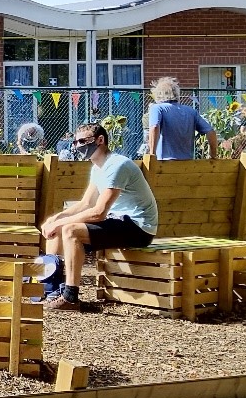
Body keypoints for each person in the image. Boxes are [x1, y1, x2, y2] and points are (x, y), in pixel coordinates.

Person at [39, 122, 159, 312]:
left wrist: (62, 222)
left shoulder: (117, 165)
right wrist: (55, 219)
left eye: (83, 141)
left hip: (139, 227)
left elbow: (98, 212)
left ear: (100, 140)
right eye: (75, 142)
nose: (78, 146)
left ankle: (70, 297)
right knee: (58, 228)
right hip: (117, 221)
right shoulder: (97, 168)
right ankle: (52, 290)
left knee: (70, 230)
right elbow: (85, 204)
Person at [146, 77, 217, 160]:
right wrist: (213, 155)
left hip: (163, 164)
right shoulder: (191, 111)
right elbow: (211, 132)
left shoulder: (157, 108)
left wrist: (152, 154)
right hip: (187, 164)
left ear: (158, 94)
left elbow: (154, 127)